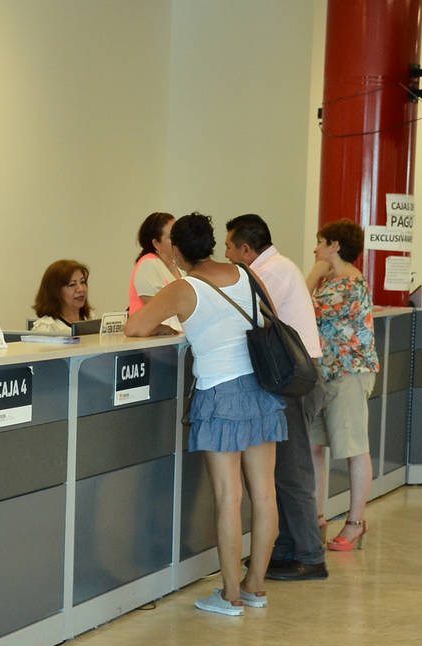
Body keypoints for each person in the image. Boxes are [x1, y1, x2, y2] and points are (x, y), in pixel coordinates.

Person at [124, 212, 285, 616]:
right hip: (261, 389)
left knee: (228, 497)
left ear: (177, 252)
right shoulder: (246, 273)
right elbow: (270, 315)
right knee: (264, 493)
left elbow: (135, 327)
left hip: (220, 393)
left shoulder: (184, 288)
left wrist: (170, 326)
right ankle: (255, 586)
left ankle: (230, 595)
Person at [223, 214, 328, 582]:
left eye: (229, 247)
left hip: (294, 383)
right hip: (293, 380)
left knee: (292, 471)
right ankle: (283, 550)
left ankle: (310, 556)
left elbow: (243, 319)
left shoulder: (270, 273)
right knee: (281, 470)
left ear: (246, 249)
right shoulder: (276, 268)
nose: (226, 254)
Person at [306, 219, 380, 554]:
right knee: (314, 446)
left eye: (320, 242)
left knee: (354, 448)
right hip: (324, 375)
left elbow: (301, 307)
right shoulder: (332, 281)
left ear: (335, 246)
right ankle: (316, 518)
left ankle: (355, 522)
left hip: (348, 373)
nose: (315, 249)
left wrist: (315, 271)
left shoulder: (349, 283)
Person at [129, 211, 183, 314]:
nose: (179, 240)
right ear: (156, 243)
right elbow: (161, 311)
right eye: (172, 237)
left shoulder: (178, 265)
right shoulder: (147, 264)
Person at [31, 259, 92, 333]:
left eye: (82, 282)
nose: (81, 289)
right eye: (72, 284)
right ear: (56, 291)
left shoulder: (90, 318)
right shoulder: (46, 328)